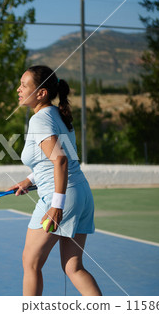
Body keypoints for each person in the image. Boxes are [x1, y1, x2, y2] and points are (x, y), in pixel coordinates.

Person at [7, 65, 102, 296]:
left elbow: (60, 161)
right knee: (73, 267)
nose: (18, 89)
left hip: (60, 199)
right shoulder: (57, 115)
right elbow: (60, 158)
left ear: (41, 93)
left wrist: (56, 205)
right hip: (81, 195)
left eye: (24, 85)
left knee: (30, 264)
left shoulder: (40, 120)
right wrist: (30, 179)